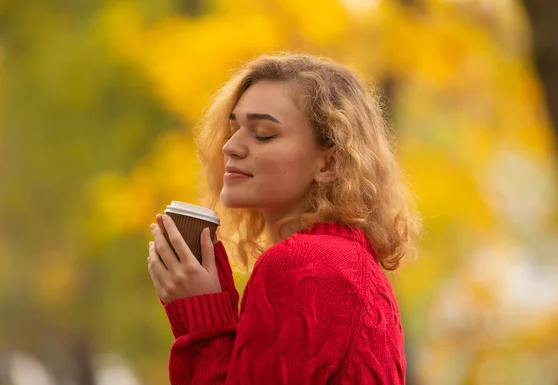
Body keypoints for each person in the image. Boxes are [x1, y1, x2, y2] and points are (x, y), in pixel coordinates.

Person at [147, 53, 420, 384]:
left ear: (329, 164)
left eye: (263, 133)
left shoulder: (304, 265)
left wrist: (203, 317)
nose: (231, 146)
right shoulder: (355, 266)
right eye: (233, 129)